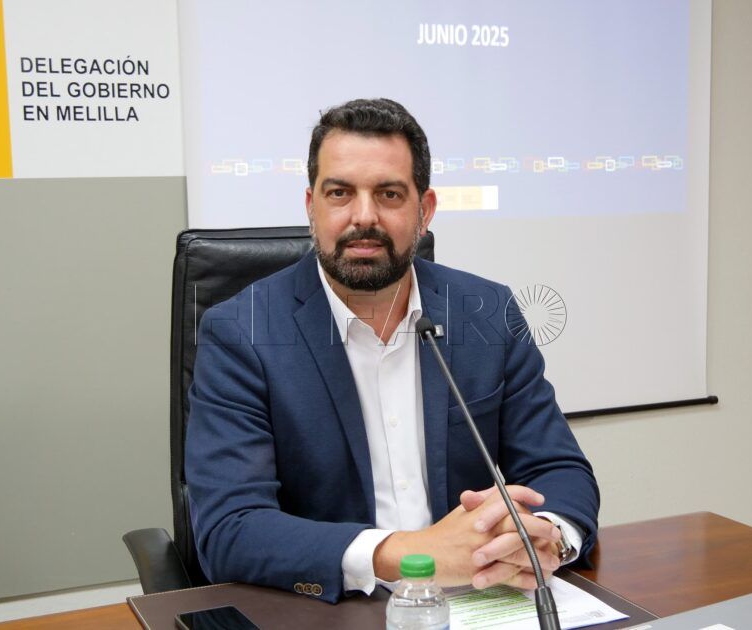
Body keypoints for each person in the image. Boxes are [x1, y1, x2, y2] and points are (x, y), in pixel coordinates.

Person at [185, 98, 599, 603]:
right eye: (340, 193)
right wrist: (413, 553)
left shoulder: (487, 313)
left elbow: (560, 469)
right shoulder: (240, 333)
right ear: (311, 206)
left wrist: (548, 536)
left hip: (475, 597)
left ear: (424, 211)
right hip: (333, 607)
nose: (364, 217)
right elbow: (230, 529)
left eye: (389, 194)